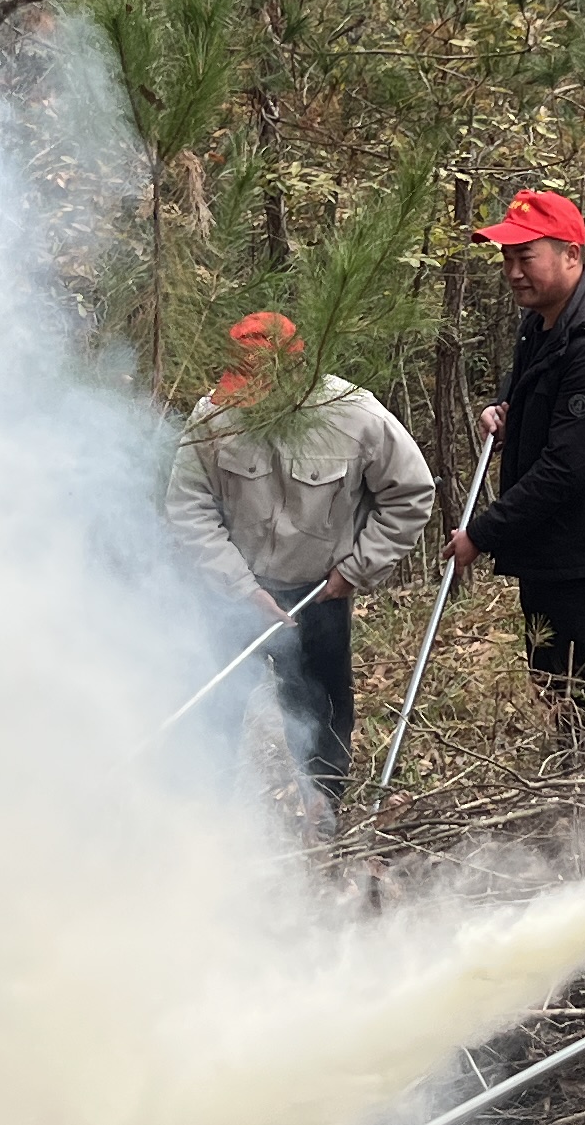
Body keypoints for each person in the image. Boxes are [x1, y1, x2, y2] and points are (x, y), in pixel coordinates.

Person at [161, 309, 437, 810]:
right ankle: (201, 821)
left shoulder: (357, 416)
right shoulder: (213, 415)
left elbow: (411, 494)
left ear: (294, 373)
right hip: (233, 594)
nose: (249, 402)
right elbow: (188, 507)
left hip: (319, 594)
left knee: (322, 713)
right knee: (213, 713)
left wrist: (356, 570)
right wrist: (241, 589)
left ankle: (323, 817)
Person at [449, 189, 585, 718]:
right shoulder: (544, 321)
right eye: (507, 258)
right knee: (553, 685)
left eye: (526, 257)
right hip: (550, 544)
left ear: (571, 255)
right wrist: (504, 404)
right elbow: (529, 381)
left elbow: (566, 466)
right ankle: (565, 781)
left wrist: (483, 532)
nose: (514, 271)